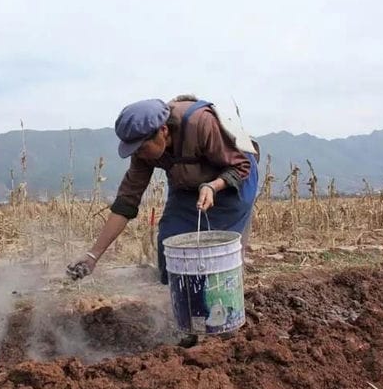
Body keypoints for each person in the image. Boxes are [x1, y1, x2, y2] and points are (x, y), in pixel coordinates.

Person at [67, 94, 259, 285]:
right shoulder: (142, 153)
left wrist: (213, 186)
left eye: (142, 148)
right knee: (170, 243)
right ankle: (176, 301)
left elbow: (240, 166)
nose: (139, 154)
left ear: (163, 130)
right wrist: (92, 256)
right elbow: (126, 203)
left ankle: (221, 299)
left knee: (216, 250)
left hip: (233, 178)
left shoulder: (200, 123)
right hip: (187, 184)